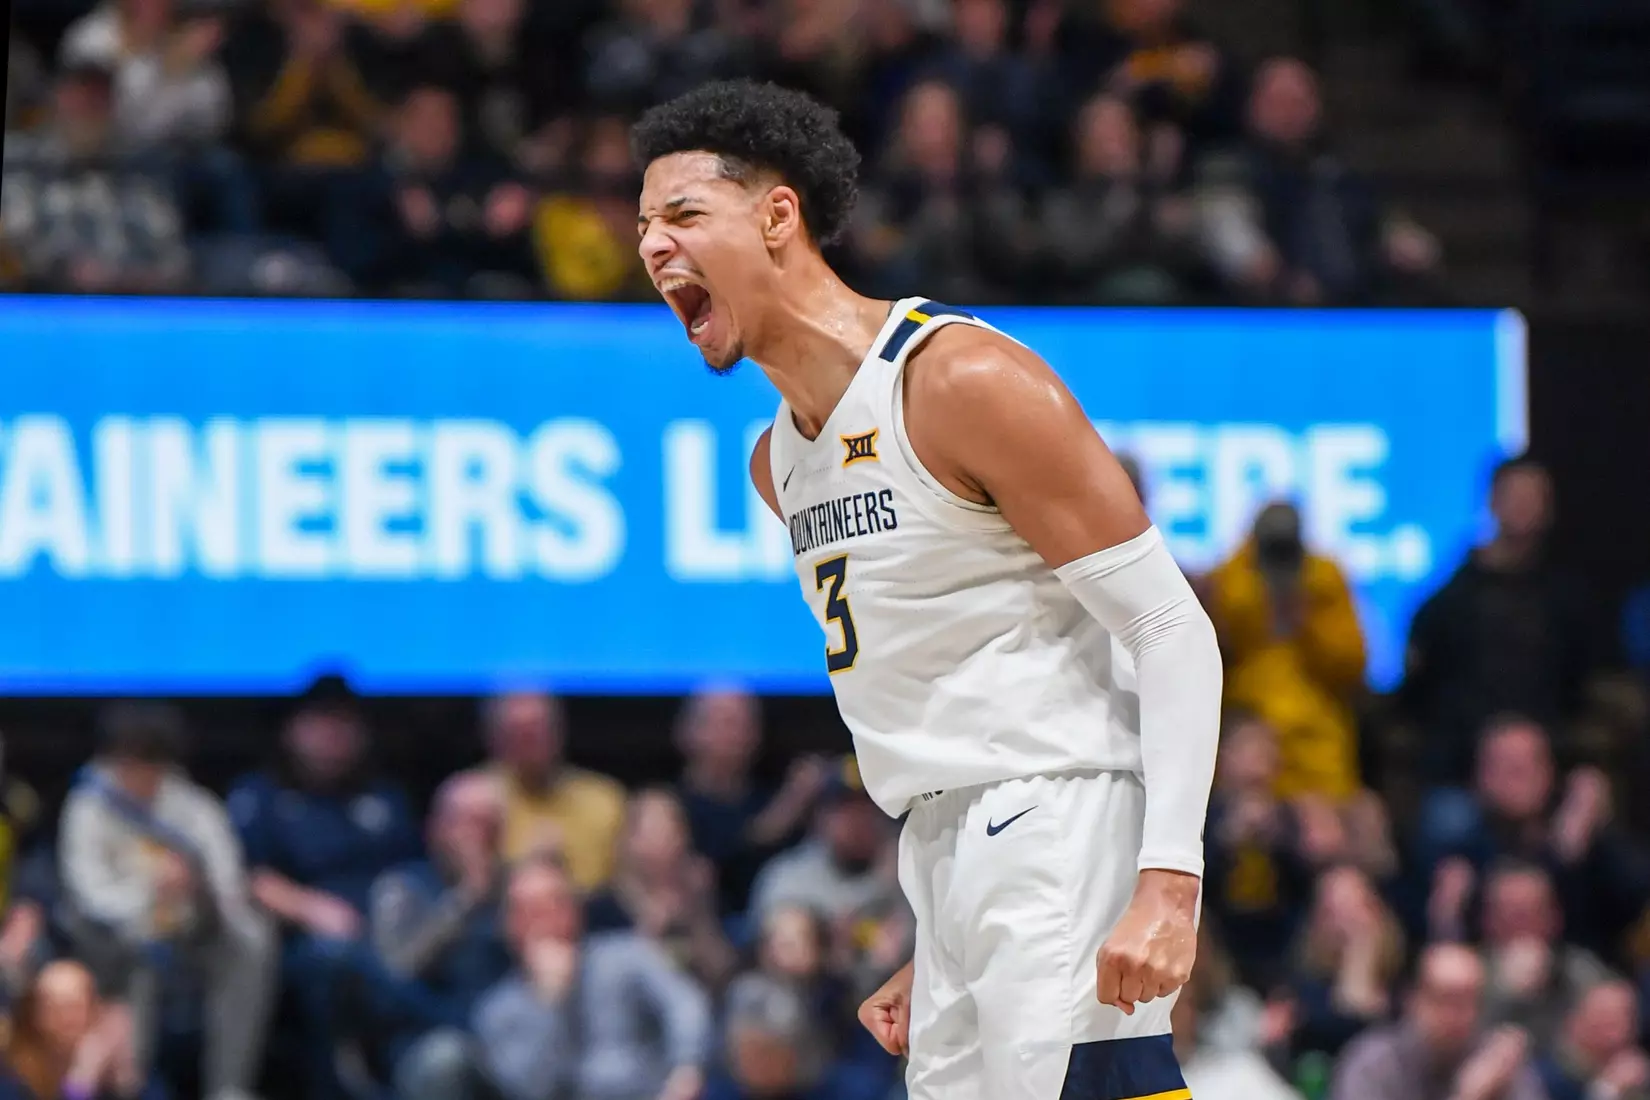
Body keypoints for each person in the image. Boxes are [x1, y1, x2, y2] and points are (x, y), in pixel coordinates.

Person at [631, 79, 1223, 1100]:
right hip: (952, 847)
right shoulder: (779, 465)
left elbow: (1172, 626)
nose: (651, 246)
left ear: (779, 217)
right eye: (642, 226)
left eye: (684, 214)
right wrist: (947, 926)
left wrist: (1167, 879)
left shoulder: (957, 379)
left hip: (1060, 809)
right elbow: (937, 683)